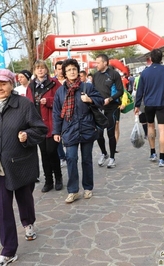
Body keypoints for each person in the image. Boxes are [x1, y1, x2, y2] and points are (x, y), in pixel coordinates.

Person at [0, 69, 47, 265]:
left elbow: (40, 130)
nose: (0, 88)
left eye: (4, 84)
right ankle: (8, 250)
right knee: (2, 208)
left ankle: (28, 222)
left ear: (11, 84)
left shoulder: (24, 105)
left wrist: (27, 136)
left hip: (20, 164)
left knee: (24, 199)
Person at [53, 59, 104, 203]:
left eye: (74, 69)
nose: (72, 72)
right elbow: (56, 113)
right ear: (64, 73)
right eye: (68, 70)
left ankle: (88, 188)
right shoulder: (60, 92)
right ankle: (73, 190)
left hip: (87, 127)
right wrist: (56, 132)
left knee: (87, 159)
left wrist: (90, 99)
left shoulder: (87, 87)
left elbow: (100, 100)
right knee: (71, 159)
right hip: (69, 129)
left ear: (78, 70)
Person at [134, 49, 164, 167]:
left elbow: (139, 90)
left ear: (150, 59)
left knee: (150, 126)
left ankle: (153, 153)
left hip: (149, 104)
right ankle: (162, 158)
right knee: (162, 129)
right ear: (161, 58)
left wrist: (137, 105)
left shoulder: (145, 72)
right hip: (162, 104)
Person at [27, 60, 63, 192]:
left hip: (52, 123)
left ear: (46, 70)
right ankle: (48, 181)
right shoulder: (31, 86)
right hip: (38, 125)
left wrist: (48, 101)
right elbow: (28, 104)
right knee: (44, 153)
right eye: (37, 68)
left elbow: (61, 99)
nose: (40, 70)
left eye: (42, 68)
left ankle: (58, 177)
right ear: (34, 71)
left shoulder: (54, 83)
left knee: (52, 151)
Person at [93, 54, 124, 168]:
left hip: (112, 108)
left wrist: (110, 99)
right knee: (99, 134)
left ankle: (112, 158)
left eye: (98, 63)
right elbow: (93, 91)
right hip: (100, 109)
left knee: (110, 133)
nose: (96, 65)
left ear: (105, 63)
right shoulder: (95, 76)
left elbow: (120, 91)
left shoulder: (114, 74)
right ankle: (104, 153)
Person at [54, 61, 67, 167]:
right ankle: (62, 156)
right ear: (55, 70)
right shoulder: (53, 83)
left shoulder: (69, 81)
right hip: (58, 112)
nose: (60, 71)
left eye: (62, 68)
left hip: (69, 114)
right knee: (57, 135)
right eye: (58, 69)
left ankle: (69, 154)